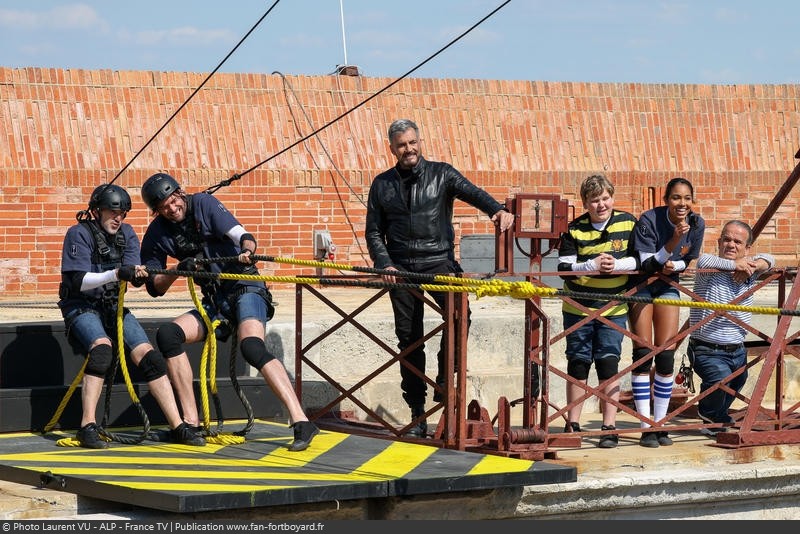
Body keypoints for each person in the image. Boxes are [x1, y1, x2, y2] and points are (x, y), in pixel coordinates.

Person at [138, 172, 319, 452]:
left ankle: (301, 421)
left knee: (252, 347)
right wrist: (177, 270)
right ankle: (190, 423)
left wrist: (247, 249)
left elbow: (241, 234)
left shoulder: (203, 204)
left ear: (180, 193)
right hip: (214, 299)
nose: (172, 209)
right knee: (168, 335)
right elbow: (154, 285)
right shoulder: (157, 234)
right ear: (157, 211)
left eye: (174, 200)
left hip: (245, 286)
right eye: (164, 207)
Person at [364, 118, 515, 437]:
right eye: (402, 145)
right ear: (391, 148)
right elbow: (374, 231)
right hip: (401, 269)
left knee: (461, 317)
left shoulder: (442, 173)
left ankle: (446, 380)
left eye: (412, 142)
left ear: (420, 142)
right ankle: (417, 410)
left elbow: (473, 193)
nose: (409, 149)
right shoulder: (382, 184)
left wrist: (497, 210)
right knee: (409, 339)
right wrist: (384, 263)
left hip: (439, 264)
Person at [57, 184, 206, 449]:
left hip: (114, 305)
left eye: (123, 213)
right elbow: (78, 280)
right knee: (102, 350)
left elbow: (138, 277)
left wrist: (173, 270)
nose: (119, 218)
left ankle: (178, 426)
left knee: (150, 357)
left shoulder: (127, 234)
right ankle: (87, 425)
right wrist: (116, 274)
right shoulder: (78, 234)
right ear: (97, 211)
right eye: (113, 212)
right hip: (81, 305)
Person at [557, 174, 638, 448]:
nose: (601, 205)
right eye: (594, 200)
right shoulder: (574, 228)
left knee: (608, 364)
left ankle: (609, 426)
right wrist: (590, 265)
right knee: (578, 363)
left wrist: (617, 265)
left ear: (612, 197)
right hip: (578, 307)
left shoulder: (628, 222)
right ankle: (573, 423)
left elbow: (639, 259)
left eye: (605, 198)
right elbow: (564, 269)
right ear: (585, 203)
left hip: (613, 307)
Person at [629, 177, 705, 448]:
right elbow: (647, 264)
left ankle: (660, 424)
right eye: (676, 198)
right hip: (641, 286)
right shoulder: (648, 220)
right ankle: (645, 426)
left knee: (665, 354)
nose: (681, 203)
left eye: (686, 198)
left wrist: (678, 264)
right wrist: (672, 242)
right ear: (666, 200)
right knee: (642, 352)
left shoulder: (697, 223)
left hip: (668, 285)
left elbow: (689, 258)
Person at [687, 220, 774, 436]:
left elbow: (771, 260)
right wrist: (736, 265)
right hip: (706, 348)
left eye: (737, 242)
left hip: (736, 348)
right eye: (726, 239)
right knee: (719, 379)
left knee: (739, 380)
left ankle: (717, 415)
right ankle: (710, 416)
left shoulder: (749, 269)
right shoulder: (710, 267)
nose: (731, 245)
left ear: (747, 249)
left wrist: (754, 265)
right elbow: (702, 259)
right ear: (719, 242)